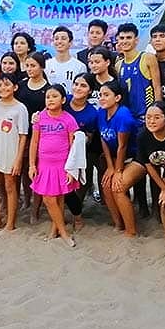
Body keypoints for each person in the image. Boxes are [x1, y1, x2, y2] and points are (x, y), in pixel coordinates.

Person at [115, 22, 162, 217]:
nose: (125, 41)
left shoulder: (147, 58)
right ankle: (141, 204)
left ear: (136, 39)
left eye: (129, 38)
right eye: (122, 38)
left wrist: (159, 116)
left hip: (147, 121)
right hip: (130, 121)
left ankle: (158, 207)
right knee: (136, 162)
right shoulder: (118, 64)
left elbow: (157, 88)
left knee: (154, 164)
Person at [29, 84, 80, 247]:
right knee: (49, 199)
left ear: (63, 99)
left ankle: (56, 230)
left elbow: (74, 147)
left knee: (59, 198)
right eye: (48, 97)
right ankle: (63, 231)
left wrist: (71, 169)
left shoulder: (69, 119)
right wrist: (32, 165)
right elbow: (34, 142)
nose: (50, 99)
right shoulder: (39, 118)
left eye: (54, 96)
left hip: (62, 165)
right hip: (44, 165)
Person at [0, 73, 29, 235]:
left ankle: (10, 224)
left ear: (15, 87)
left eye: (7, 84)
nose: (3, 88)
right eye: (0, 85)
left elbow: (23, 135)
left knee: (10, 187)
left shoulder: (20, 108)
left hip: (10, 153)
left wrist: (18, 160)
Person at [134, 102, 165, 248]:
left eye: (156, 117)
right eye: (148, 117)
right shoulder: (143, 136)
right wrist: (164, 189)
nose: (151, 121)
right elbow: (149, 166)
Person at [97, 80, 140, 237]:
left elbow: (123, 146)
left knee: (118, 187)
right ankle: (118, 223)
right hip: (115, 158)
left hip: (135, 158)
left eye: (106, 95)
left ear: (117, 97)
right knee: (106, 185)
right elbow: (103, 139)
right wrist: (110, 166)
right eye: (100, 95)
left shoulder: (123, 115)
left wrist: (118, 170)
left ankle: (131, 230)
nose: (102, 98)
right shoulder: (101, 112)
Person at [15, 52, 51, 216]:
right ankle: (27, 200)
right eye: (27, 65)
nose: (29, 69)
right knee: (23, 170)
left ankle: (36, 209)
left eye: (33, 66)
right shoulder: (21, 86)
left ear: (42, 67)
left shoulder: (48, 89)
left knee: (37, 170)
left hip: (40, 136)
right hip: (21, 134)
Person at [63, 73, 99, 231]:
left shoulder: (92, 113)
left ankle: (77, 215)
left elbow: (90, 138)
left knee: (79, 185)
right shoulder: (63, 101)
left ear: (90, 91)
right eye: (76, 84)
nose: (78, 88)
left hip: (82, 152)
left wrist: (78, 139)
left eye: (83, 86)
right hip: (58, 150)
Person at [45, 26, 87, 94]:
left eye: (63, 38)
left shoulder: (80, 66)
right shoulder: (46, 65)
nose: (59, 41)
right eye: (56, 39)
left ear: (70, 43)